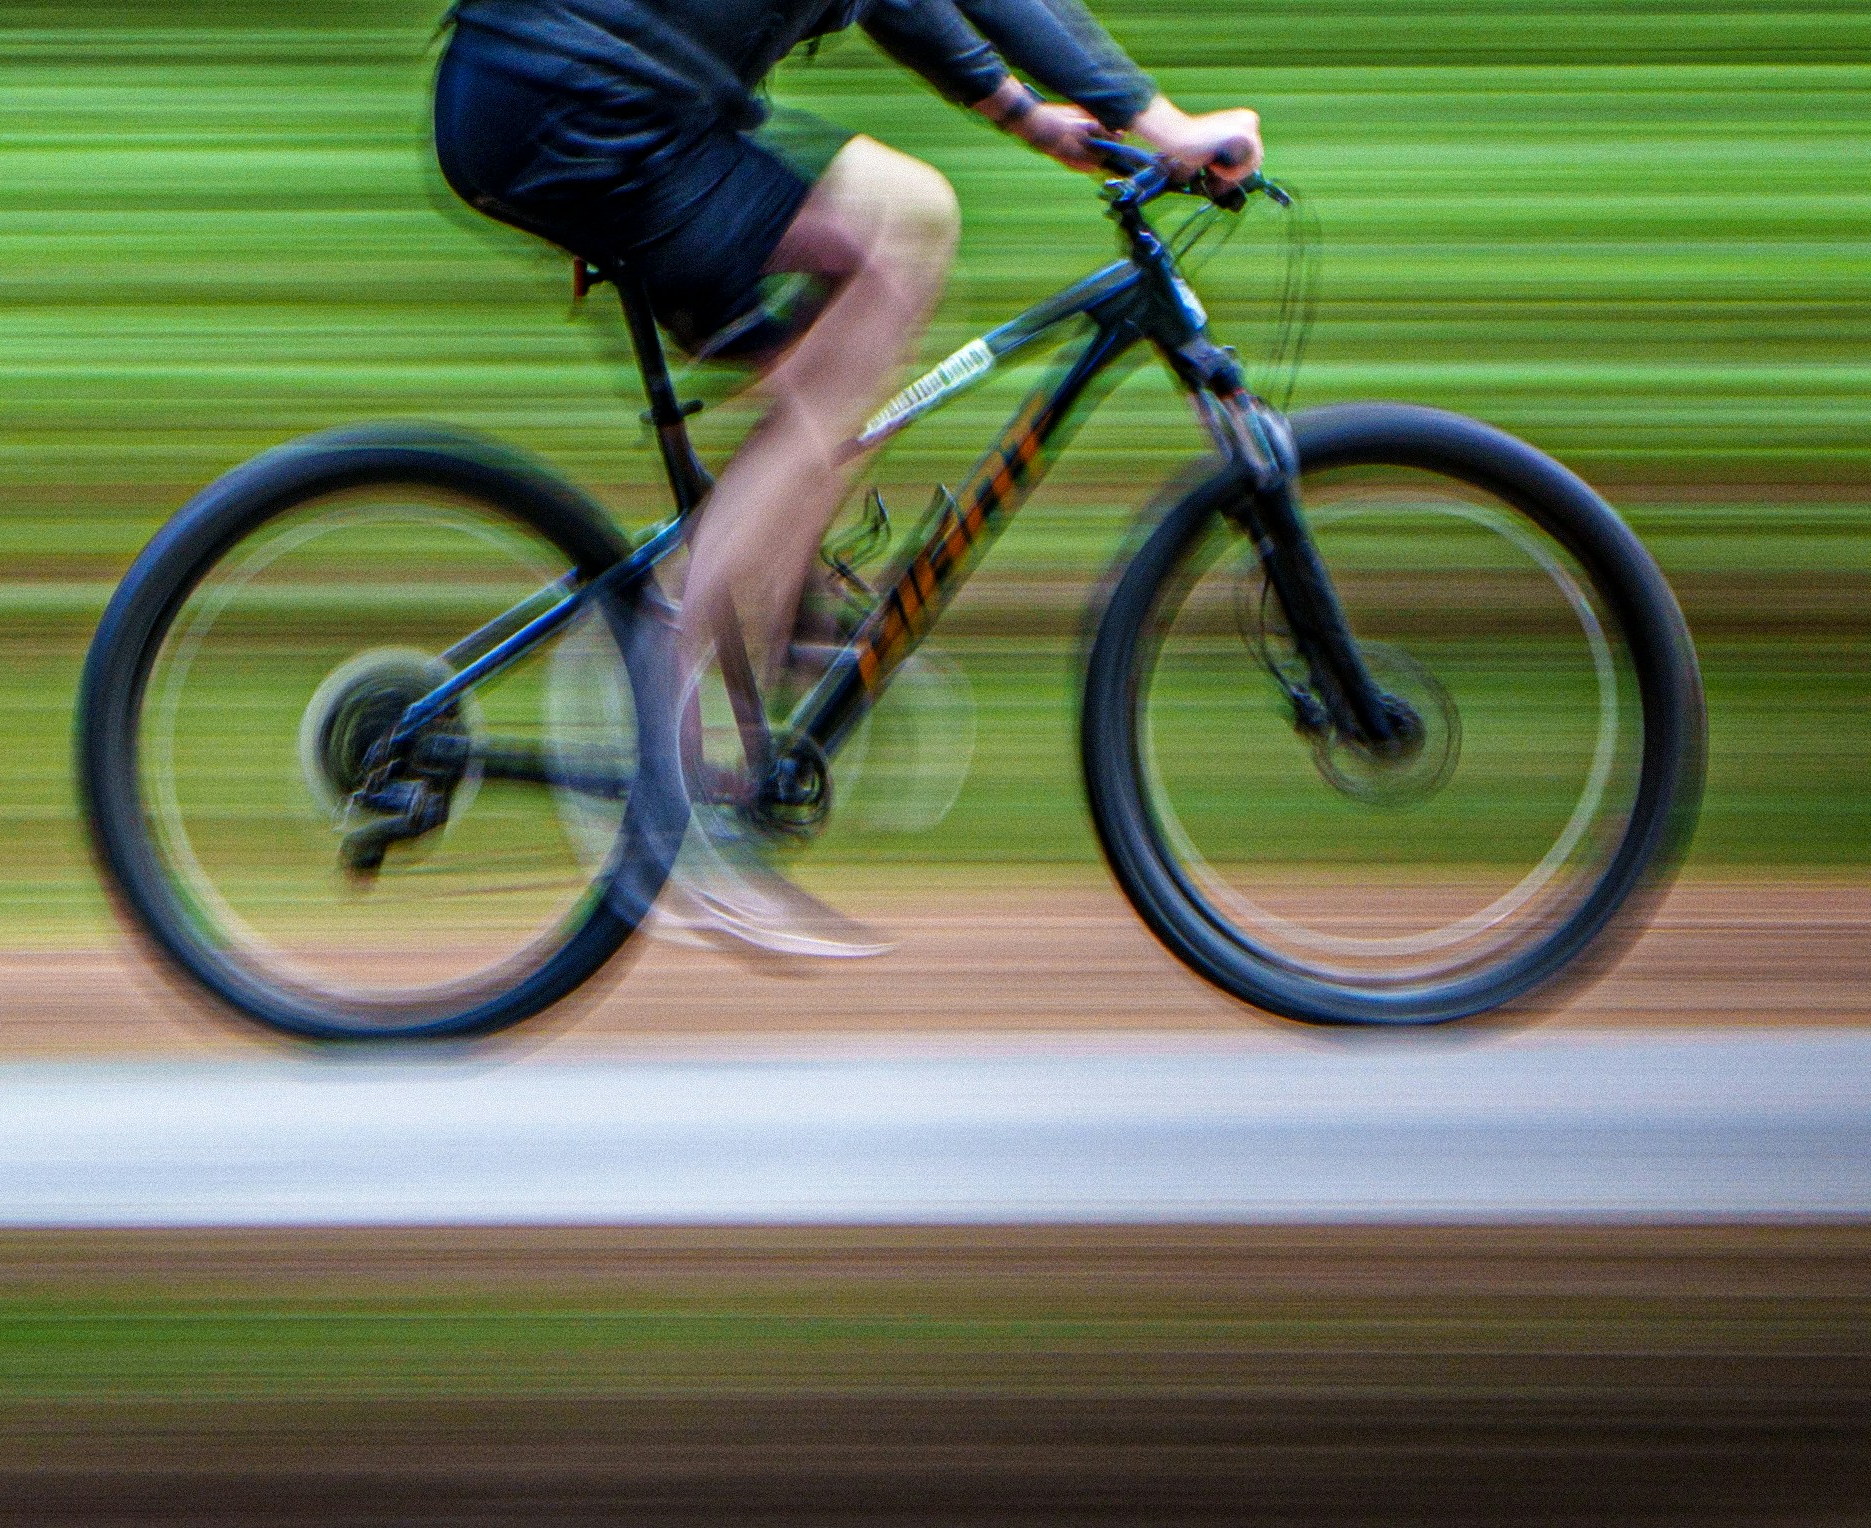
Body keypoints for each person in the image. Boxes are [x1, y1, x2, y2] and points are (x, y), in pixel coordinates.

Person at [430, 0, 1255, 955]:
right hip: (588, 104)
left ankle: (751, 608)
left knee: (897, 234)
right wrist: (1164, 124)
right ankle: (670, 773)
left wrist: (1026, 114)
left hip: (583, 92)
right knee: (891, 262)